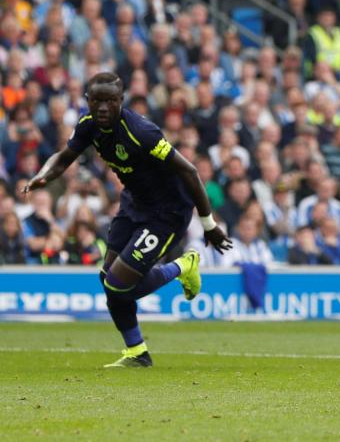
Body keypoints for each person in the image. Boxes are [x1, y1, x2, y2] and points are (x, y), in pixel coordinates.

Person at [23, 72, 232, 368]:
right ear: (88, 101)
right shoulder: (88, 125)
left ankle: (184, 265)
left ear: (121, 101)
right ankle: (137, 352)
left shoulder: (141, 132)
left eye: (110, 101)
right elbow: (64, 156)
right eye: (97, 101)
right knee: (108, 278)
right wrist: (43, 175)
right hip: (133, 204)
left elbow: (190, 172)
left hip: (167, 212)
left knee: (118, 284)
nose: (104, 107)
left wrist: (208, 225)